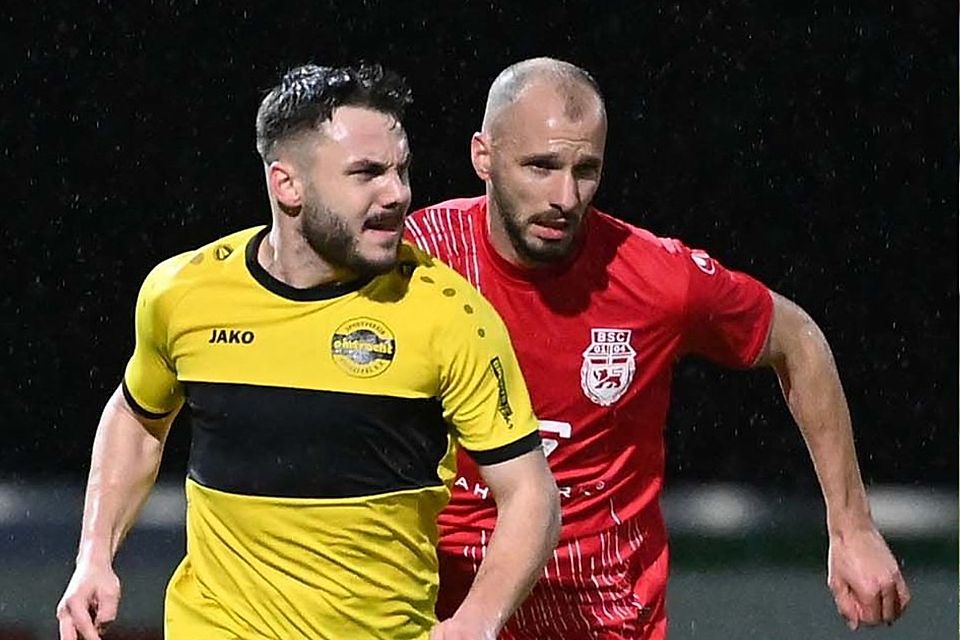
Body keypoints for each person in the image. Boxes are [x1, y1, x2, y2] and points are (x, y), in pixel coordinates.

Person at [404, 57, 910, 639]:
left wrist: (852, 527)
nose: (565, 196)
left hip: (602, 616)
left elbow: (797, 339)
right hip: (443, 608)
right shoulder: (417, 263)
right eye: (540, 167)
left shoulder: (653, 278)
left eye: (585, 170)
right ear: (483, 156)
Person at [56, 62, 560, 640]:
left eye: (401, 171)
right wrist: (94, 555)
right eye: (367, 173)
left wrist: (478, 618)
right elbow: (137, 418)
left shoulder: (449, 317)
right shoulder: (183, 294)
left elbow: (530, 494)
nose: (397, 194)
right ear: (286, 185)